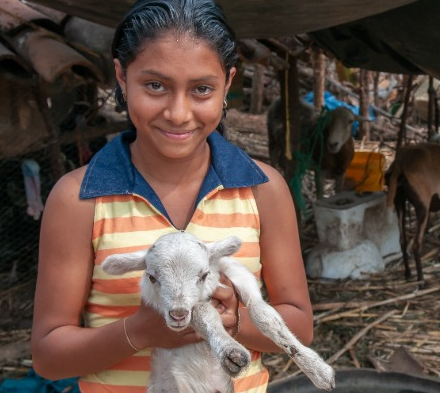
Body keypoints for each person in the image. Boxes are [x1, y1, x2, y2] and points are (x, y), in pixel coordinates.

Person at [30, 0, 314, 392]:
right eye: (155, 85)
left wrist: (234, 322)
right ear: (121, 77)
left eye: (201, 89)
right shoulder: (78, 201)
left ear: (227, 85)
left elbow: (299, 324)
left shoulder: (264, 191)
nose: (178, 113)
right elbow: (48, 356)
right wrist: (140, 331)